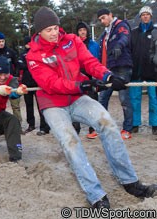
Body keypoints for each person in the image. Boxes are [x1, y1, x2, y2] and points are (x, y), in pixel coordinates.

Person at [26, 6, 157, 209]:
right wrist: (81, 85)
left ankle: (130, 182)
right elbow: (50, 83)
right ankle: (96, 196)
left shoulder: (71, 40)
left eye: (55, 27)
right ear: (39, 32)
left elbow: (89, 62)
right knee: (71, 142)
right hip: (53, 103)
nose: (53, 33)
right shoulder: (33, 55)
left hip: (77, 97)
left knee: (108, 123)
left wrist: (108, 76)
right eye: (48, 30)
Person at [97, 8, 133, 140]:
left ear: (111, 15)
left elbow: (125, 37)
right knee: (102, 98)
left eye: (104, 17)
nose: (102, 21)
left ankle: (127, 128)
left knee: (124, 99)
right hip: (108, 69)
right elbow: (101, 52)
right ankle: (103, 126)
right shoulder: (105, 34)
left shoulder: (121, 25)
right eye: (100, 19)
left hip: (122, 67)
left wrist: (119, 45)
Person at [0, 32, 23, 127]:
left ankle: (18, 125)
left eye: (3, 41)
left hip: (11, 80)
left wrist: (17, 75)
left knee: (15, 104)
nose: (1, 43)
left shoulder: (10, 52)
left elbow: (17, 64)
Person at [130, 6, 157, 135]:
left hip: (152, 72)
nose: (145, 16)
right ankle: (135, 124)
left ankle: (155, 124)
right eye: (143, 14)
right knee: (135, 99)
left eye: (147, 14)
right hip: (136, 71)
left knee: (154, 99)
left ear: (151, 16)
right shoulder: (134, 33)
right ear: (140, 17)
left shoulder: (156, 32)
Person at [17, 36, 50, 135]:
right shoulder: (22, 54)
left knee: (41, 105)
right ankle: (31, 124)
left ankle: (44, 127)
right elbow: (21, 65)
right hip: (27, 83)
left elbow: (39, 65)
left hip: (38, 82)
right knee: (28, 105)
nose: (29, 45)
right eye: (27, 43)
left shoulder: (37, 52)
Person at [74, 21, 100, 139]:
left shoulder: (94, 45)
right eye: (80, 30)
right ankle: (75, 128)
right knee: (75, 101)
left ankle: (93, 128)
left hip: (90, 76)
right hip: (77, 76)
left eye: (84, 30)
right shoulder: (73, 44)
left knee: (92, 102)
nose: (82, 32)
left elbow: (96, 60)